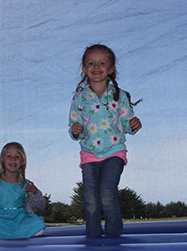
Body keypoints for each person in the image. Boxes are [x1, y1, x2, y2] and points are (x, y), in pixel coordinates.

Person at [69, 44, 142, 238]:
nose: (96, 67)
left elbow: (127, 123)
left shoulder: (120, 96)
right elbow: (74, 124)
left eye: (102, 63)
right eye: (91, 63)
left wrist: (133, 124)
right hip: (89, 153)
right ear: (84, 69)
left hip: (114, 151)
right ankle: (93, 236)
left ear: (111, 69)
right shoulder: (79, 98)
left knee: (107, 193)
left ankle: (113, 237)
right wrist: (75, 130)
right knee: (90, 198)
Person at [0, 142, 46, 239]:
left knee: (39, 224)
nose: (13, 159)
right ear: (2, 160)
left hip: (20, 220)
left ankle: (10, 234)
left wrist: (35, 193)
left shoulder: (25, 184)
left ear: (22, 161)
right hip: (0, 219)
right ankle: (8, 234)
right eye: (9, 156)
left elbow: (41, 207)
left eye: (17, 157)